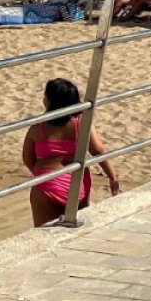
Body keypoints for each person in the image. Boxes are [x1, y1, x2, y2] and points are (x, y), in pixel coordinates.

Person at [21, 78, 120, 226]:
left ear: (49, 101)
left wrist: (42, 175)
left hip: (47, 184)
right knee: (78, 231)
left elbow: (28, 158)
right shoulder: (81, 123)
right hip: (76, 184)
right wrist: (112, 177)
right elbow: (98, 150)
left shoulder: (37, 128)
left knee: (45, 232)